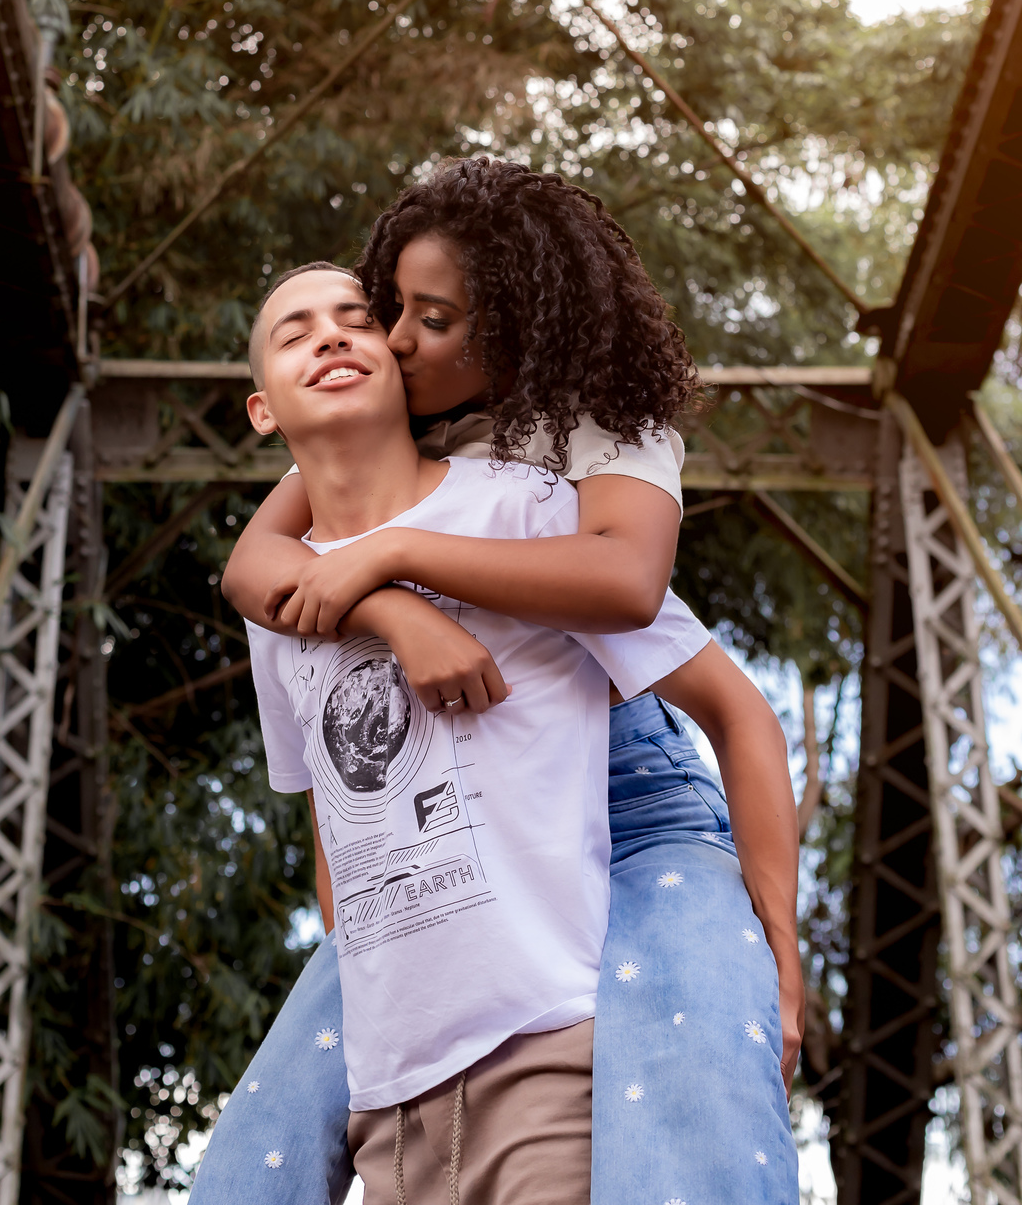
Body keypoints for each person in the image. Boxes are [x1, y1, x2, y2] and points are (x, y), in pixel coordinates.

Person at [190, 159, 801, 1205]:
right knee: (260, 1151)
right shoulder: (390, 419)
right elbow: (255, 570)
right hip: (445, 849)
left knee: (700, 1086)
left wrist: (781, 948)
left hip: (633, 796)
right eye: (396, 310)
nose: (388, 339)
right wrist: (389, 604)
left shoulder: (576, 444)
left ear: (516, 331)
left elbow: (628, 586)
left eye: (435, 320)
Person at [241, 261, 612, 1205]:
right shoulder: (270, 599)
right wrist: (398, 613)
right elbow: (333, 817)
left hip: (544, 1046)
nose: (329, 336)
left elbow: (712, 691)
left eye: (357, 320)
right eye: (295, 332)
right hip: (388, 1103)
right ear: (262, 412)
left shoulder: (523, 504)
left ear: (400, 367)